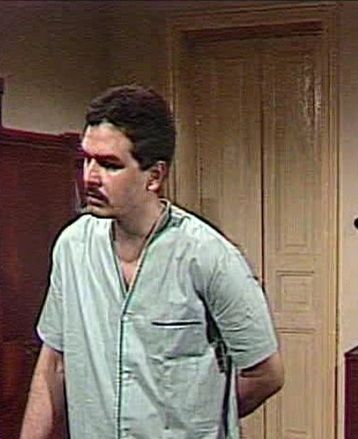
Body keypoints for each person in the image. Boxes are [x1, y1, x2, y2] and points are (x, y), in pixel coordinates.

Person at [20, 85, 284, 439]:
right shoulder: (73, 247)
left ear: (154, 176)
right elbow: (54, 363)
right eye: (87, 159)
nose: (89, 177)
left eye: (110, 165)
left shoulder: (208, 256)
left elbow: (266, 375)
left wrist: (195, 422)